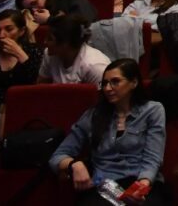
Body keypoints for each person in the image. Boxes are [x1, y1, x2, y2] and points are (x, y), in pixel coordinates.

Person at [49, 58, 171, 206]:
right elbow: (57, 157)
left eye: (115, 82)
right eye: (105, 83)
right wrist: (74, 164)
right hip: (105, 186)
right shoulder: (93, 116)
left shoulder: (153, 110)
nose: (107, 88)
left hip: (142, 180)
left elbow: (153, 158)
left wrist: (141, 186)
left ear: (134, 82)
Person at [0, 9, 44, 118]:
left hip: (26, 109)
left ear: (21, 31)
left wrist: (20, 55)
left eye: (9, 29)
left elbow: (37, 83)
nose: (1, 35)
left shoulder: (34, 51)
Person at [40, 14, 110, 85]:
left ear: (66, 43)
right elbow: (41, 86)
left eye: (50, 39)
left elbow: (104, 91)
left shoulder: (95, 67)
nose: (45, 42)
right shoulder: (49, 54)